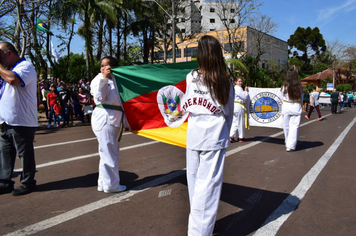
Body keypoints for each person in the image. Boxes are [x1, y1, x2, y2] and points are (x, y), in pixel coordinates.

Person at [183, 35, 234, 236]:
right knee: (208, 186)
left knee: (194, 183)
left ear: (201, 54)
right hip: (214, 133)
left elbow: (188, 105)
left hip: (195, 133)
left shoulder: (191, 77)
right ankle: (200, 231)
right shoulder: (224, 80)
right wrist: (225, 132)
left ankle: (200, 227)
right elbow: (228, 112)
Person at [0, 42, 38, 196]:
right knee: (5, 154)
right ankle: (4, 182)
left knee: (25, 154)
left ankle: (28, 182)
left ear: (9, 53)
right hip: (5, 121)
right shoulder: (6, 69)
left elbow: (13, 80)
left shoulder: (26, 66)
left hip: (22, 121)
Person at [90, 56, 130, 193]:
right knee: (109, 152)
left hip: (113, 117)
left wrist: (125, 122)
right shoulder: (99, 79)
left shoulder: (116, 80)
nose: (103, 68)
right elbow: (99, 97)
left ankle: (103, 182)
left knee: (106, 152)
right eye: (102, 66)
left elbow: (121, 102)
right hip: (105, 117)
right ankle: (111, 185)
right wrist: (104, 79)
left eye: (107, 66)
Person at [280, 67, 303, 152]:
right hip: (296, 107)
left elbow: (281, 97)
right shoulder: (299, 87)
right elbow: (301, 99)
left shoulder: (284, 86)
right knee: (294, 127)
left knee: (286, 126)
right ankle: (291, 145)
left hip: (286, 106)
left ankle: (287, 142)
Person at [229, 76, 249, 143]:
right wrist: (246, 91)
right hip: (239, 105)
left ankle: (231, 136)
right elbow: (244, 97)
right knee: (240, 122)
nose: (240, 82)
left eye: (241, 81)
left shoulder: (234, 88)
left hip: (235, 105)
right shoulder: (238, 88)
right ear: (236, 82)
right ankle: (241, 137)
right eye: (239, 81)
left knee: (235, 121)